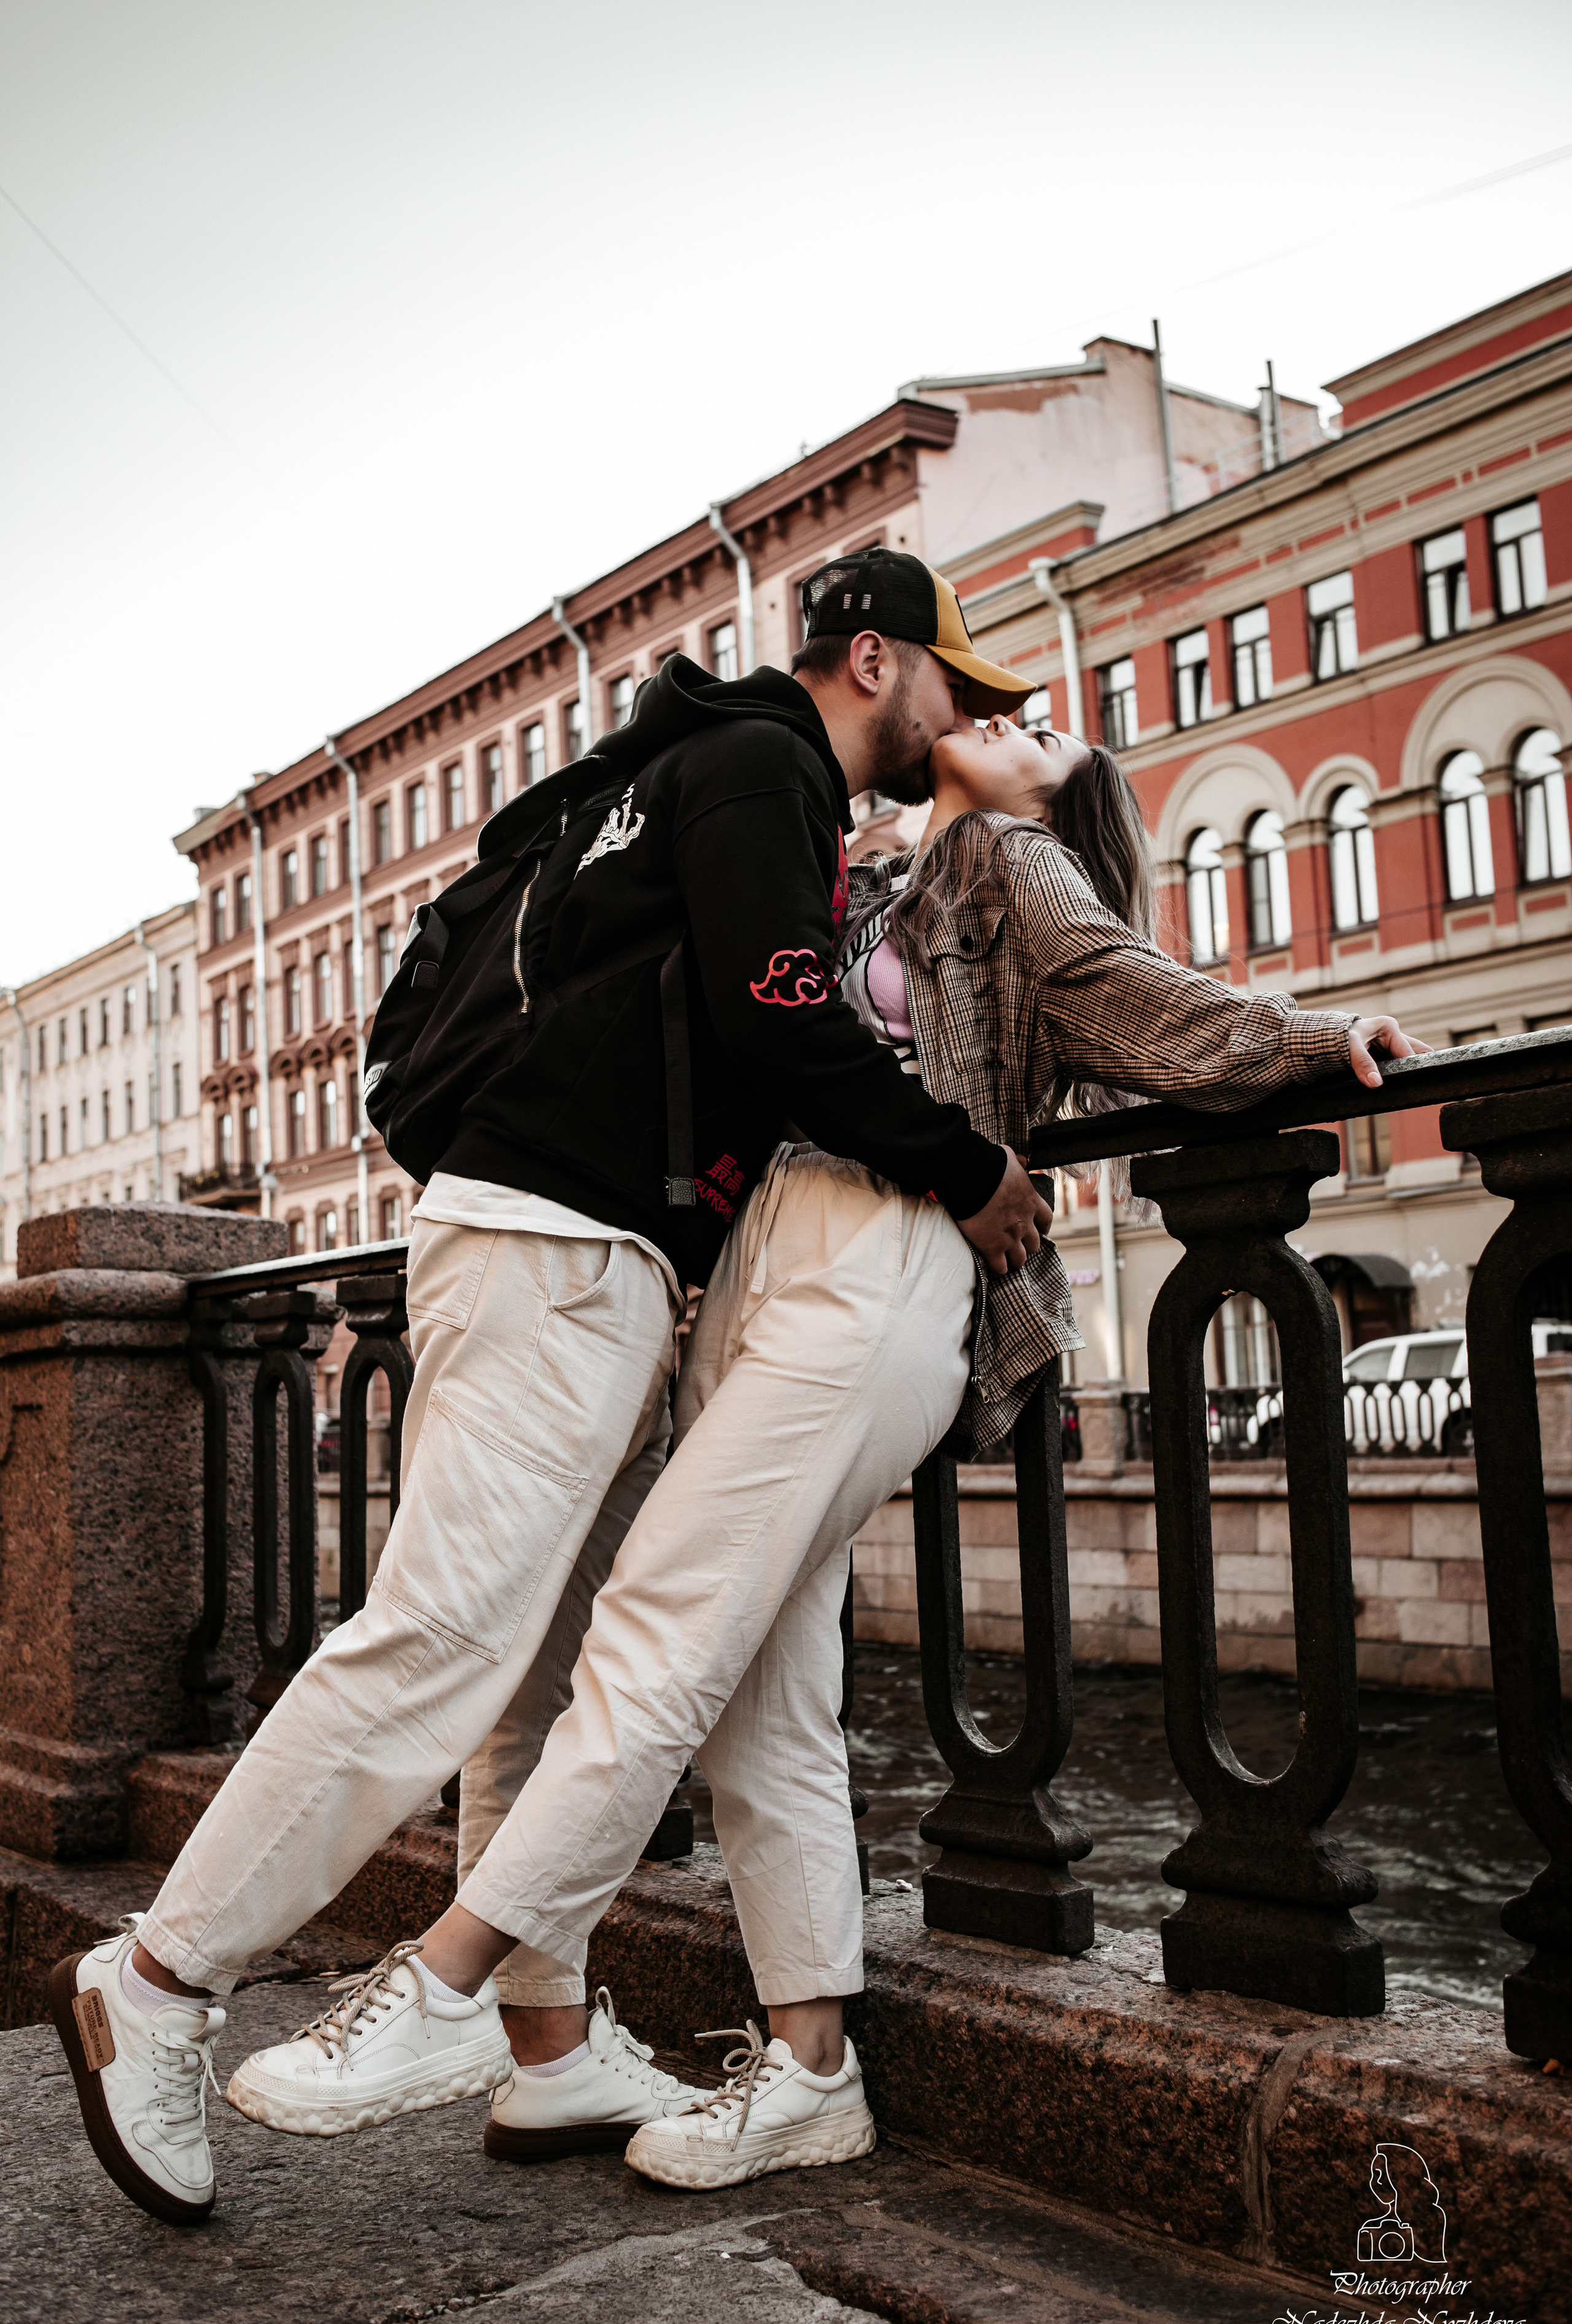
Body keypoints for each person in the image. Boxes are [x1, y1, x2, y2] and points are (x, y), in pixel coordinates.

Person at [211, 562, 1425, 2194]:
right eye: (987, 697)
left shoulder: (1016, 863)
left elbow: (1149, 1002)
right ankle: (809, 2068)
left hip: (885, 1268)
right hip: (765, 1276)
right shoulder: (865, 875)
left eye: (1036, 724)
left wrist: (1309, 1033)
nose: (1005, 719)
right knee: (761, 1700)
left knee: (652, 1621)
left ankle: (448, 1977)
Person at [48, 552, 1054, 2227]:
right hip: (564, 1247)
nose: (958, 715)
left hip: (550, 1237)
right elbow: (780, 1009)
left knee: (532, 1665)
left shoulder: (680, 771)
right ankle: (158, 1978)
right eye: (953, 682)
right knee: (441, 1633)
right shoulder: (762, 769)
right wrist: (961, 1163)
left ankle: (549, 2039)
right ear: (875, 659)